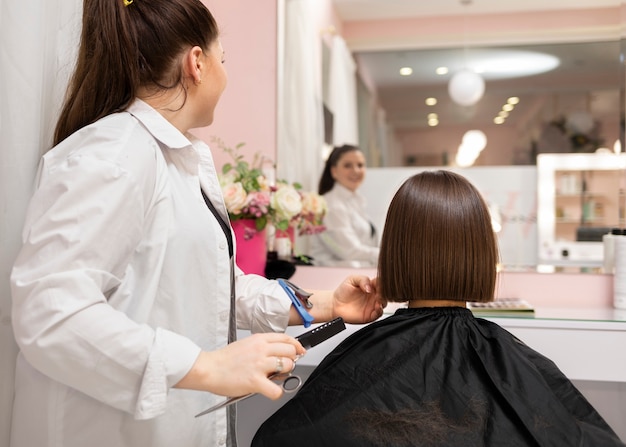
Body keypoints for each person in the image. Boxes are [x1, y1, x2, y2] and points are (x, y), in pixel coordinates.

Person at [8, 1, 385, 447]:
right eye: (223, 61)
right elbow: (50, 313)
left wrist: (322, 304)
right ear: (197, 63)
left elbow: (210, 285)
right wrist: (207, 367)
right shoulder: (115, 153)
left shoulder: (176, 159)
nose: (225, 77)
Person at [252, 170, 625, 447]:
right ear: (480, 254)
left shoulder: (369, 352)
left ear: (396, 252)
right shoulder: (508, 357)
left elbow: (282, 438)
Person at [310, 144, 379, 267]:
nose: (356, 171)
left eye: (360, 165)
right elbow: (350, 251)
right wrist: (388, 255)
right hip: (331, 279)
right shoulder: (331, 205)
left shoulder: (356, 201)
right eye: (348, 165)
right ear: (334, 171)